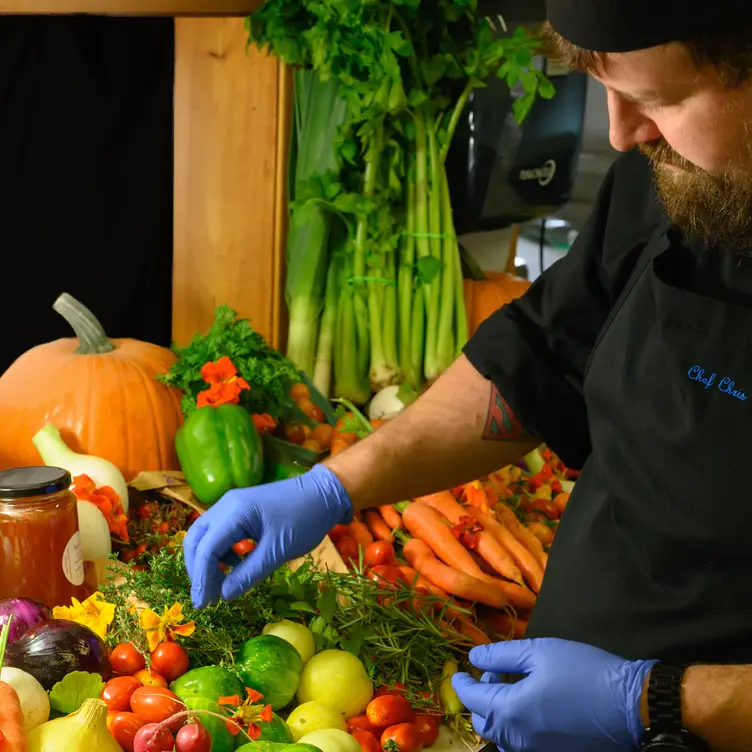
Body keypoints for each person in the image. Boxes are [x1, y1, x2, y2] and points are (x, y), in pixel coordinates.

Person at [183, 0, 752, 749]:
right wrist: (337, 484)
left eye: (656, 100)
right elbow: (539, 362)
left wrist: (653, 702)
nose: (620, 134)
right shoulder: (668, 179)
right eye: (607, 92)